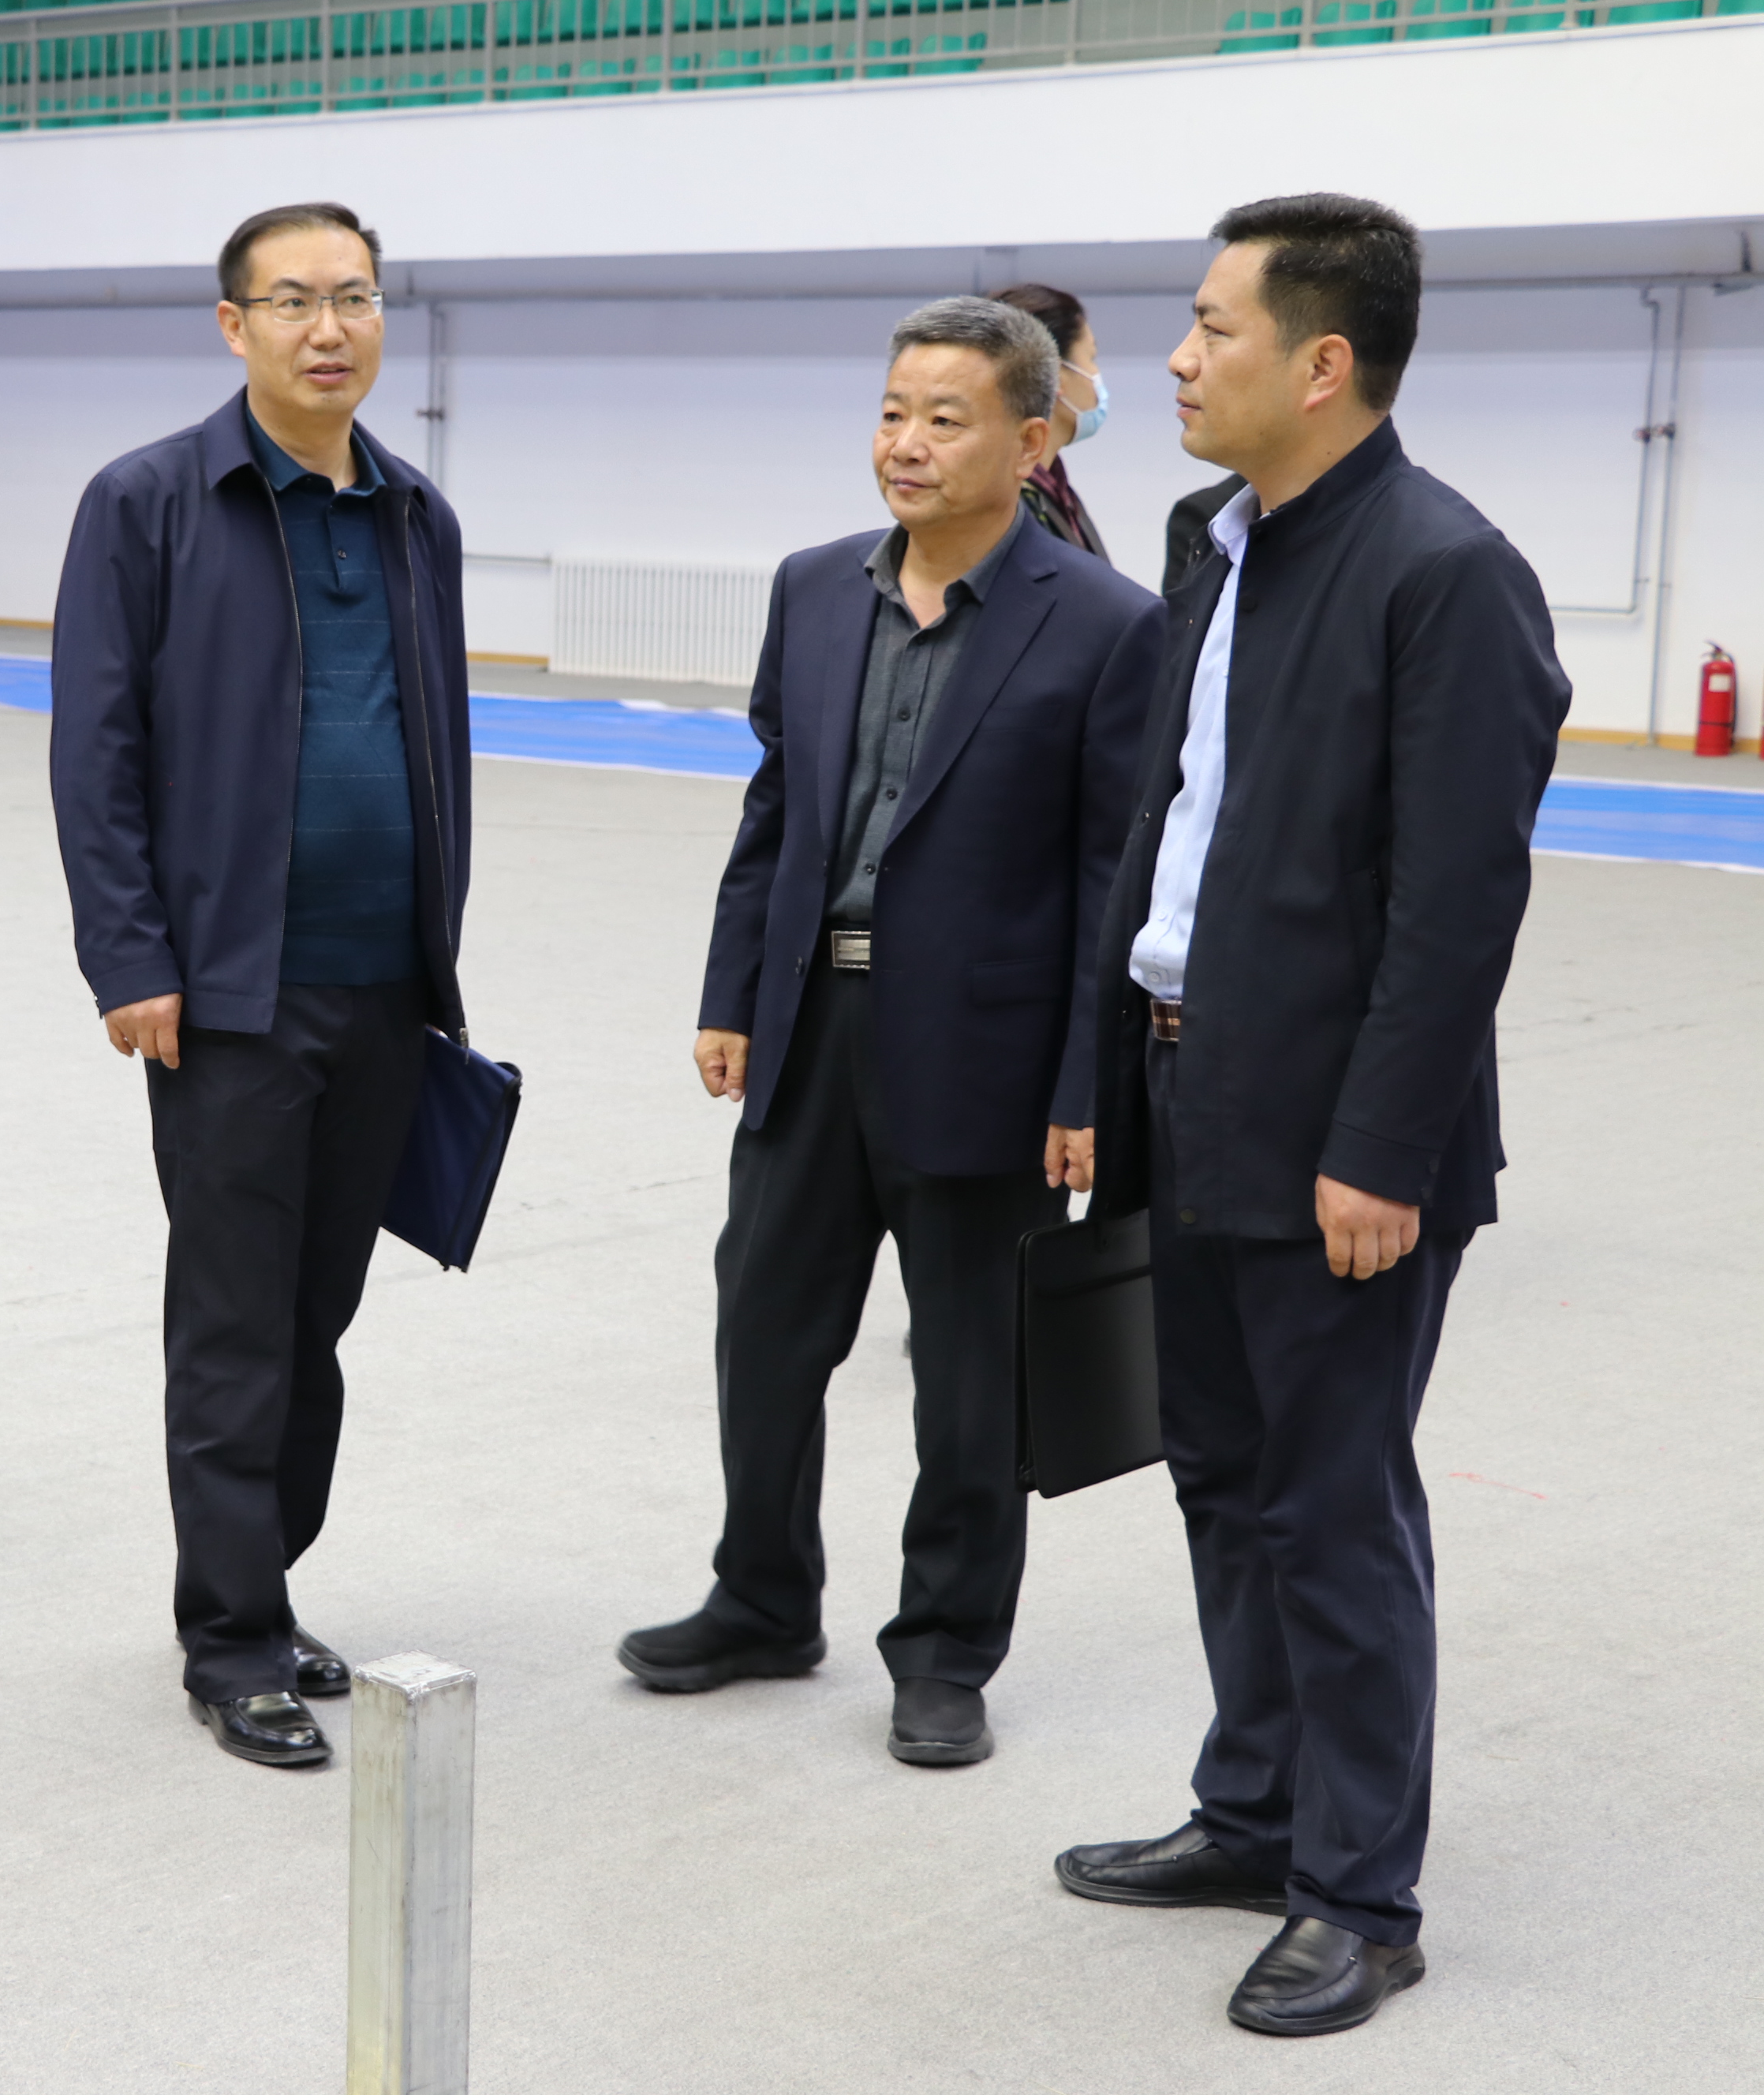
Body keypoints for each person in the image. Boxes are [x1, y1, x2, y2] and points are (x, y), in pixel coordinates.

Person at [1054, 196, 1568, 2037]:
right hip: (1182, 1072)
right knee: (1217, 1467)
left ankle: (1359, 1893)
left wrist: (1381, 1148)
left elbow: (1457, 903)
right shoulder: (1214, 543)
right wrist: (1094, 1076)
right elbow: (1163, 822)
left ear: (1323, 362)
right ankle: (1255, 1808)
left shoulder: (1446, 572)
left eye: (1213, 328)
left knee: (1333, 1502)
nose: (1177, 358)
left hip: (1336, 1124)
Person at [614, 298, 1160, 1766]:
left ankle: (944, 1651)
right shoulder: (812, 588)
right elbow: (775, 808)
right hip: (810, 1026)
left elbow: (1109, 883)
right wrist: (733, 992)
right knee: (763, 1331)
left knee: (971, 1375)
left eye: (944, 419)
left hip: (985, 1054)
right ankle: (760, 1598)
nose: (905, 444)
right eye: (891, 412)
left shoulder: (1104, 623)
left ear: (1030, 442)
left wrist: (1083, 1081)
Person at [50, 202, 473, 1769]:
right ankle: (228, 1639)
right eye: (293, 301)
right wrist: (129, 954)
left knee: (316, 1314)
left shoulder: (414, 514)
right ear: (233, 325)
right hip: (229, 994)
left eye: (353, 298)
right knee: (234, 1320)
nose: (328, 328)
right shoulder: (149, 503)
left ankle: (264, 1582)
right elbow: (95, 747)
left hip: (384, 986)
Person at [992, 282, 1113, 561]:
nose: (1095, 375)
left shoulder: (1058, 493)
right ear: (1054, 376)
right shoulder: (1005, 508)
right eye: (1091, 358)